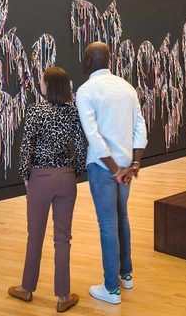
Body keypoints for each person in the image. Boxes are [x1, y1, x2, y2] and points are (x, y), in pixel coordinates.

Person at [8, 66, 86, 313]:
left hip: (39, 177)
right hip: (65, 177)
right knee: (63, 238)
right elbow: (81, 148)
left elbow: (26, 146)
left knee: (35, 235)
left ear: (48, 85)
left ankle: (27, 288)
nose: (39, 82)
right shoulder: (72, 113)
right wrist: (75, 172)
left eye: (41, 79)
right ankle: (63, 296)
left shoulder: (35, 111)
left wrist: (25, 175)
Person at [76, 42, 147, 305]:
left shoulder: (85, 91)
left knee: (108, 224)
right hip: (127, 166)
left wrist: (115, 170)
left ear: (87, 61)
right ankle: (125, 275)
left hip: (103, 167)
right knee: (122, 218)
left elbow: (93, 136)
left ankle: (111, 288)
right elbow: (140, 126)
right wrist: (135, 165)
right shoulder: (127, 87)